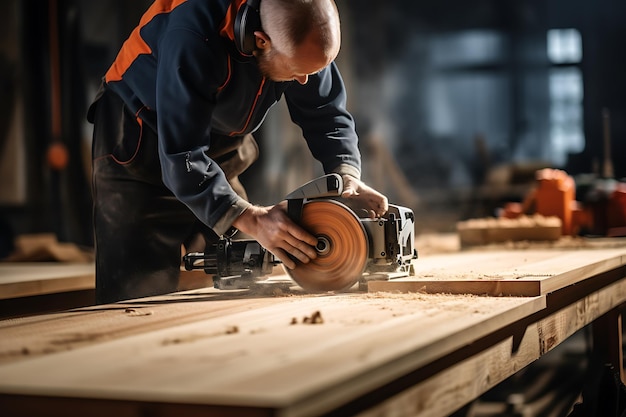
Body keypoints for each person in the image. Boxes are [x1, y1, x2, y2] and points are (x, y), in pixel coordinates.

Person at [88, 0, 388, 304]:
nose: (305, 82)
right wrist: (254, 218)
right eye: (298, 71)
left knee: (245, 268)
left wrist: (345, 172)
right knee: (135, 294)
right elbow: (183, 155)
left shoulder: (301, 29)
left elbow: (324, 110)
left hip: (214, 150)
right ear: (260, 39)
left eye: (316, 69)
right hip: (139, 144)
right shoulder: (193, 34)